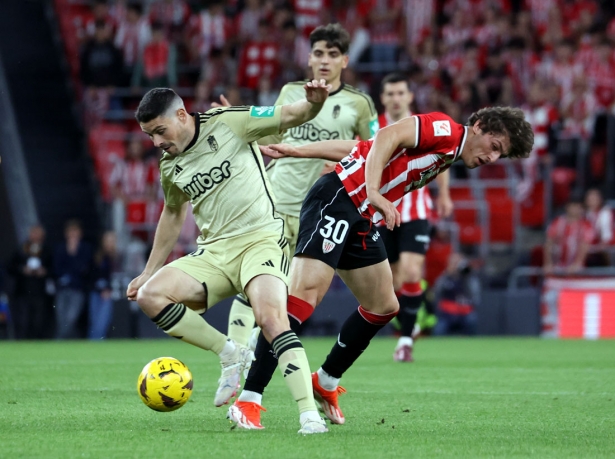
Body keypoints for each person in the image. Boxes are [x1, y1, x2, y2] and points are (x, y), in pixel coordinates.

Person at [229, 106, 533, 429]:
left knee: (384, 305)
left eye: (502, 155)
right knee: (303, 299)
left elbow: (365, 146)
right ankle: (249, 398)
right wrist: (374, 191)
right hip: (339, 199)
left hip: (361, 216)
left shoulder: (448, 154)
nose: (493, 158)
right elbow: (388, 135)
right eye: (495, 146)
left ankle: (326, 380)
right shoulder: (445, 129)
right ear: (479, 126)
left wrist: (297, 151)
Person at [126, 83, 332, 434]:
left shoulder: (231, 122)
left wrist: (314, 104)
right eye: (149, 136)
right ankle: (230, 352)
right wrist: (148, 271)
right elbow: (173, 214)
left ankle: (309, 415)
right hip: (215, 253)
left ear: (181, 115)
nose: (156, 142)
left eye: (160, 131)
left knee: (270, 320)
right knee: (150, 295)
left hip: (261, 242)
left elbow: (294, 114)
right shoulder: (170, 164)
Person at [226, 22, 379, 356]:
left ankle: (257, 355)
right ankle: (234, 358)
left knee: (291, 297)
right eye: (319, 53)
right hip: (277, 202)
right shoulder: (290, 92)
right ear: (309, 58)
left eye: (333, 54)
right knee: (253, 284)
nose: (325, 60)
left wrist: (343, 164)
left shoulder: (359, 103)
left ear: (345, 61)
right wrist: (233, 122)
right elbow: (270, 138)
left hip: (322, 212)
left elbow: (375, 151)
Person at [376, 72, 453, 362]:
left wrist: (444, 195)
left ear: (409, 96)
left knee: (411, 273)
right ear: (383, 98)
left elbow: (442, 161)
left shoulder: (423, 126)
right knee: (393, 283)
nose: (396, 99)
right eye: (390, 94)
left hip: (416, 210)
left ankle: (406, 340)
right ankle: (409, 324)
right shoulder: (373, 126)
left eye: (400, 93)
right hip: (382, 213)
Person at [7, 224, 53, 339]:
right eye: (34, 233)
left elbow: (54, 268)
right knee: (23, 319)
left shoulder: (47, 250)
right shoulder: (21, 249)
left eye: (38, 233)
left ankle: (38, 342)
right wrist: (22, 269)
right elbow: (9, 266)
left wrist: (44, 272)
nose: (36, 236)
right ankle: (22, 341)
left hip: (40, 291)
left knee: (39, 319)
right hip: (23, 290)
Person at [54, 220, 93, 339]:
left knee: (71, 317)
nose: (73, 235)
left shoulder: (85, 248)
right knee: (61, 317)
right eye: (70, 232)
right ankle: (69, 341)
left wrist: (73, 253)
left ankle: (58, 340)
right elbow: (56, 268)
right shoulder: (60, 248)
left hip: (77, 288)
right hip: (62, 288)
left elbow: (84, 269)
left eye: (75, 231)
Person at [543, 197, 594, 274]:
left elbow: (585, 244)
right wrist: (548, 263)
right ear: (567, 207)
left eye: (579, 207)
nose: (576, 209)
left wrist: (578, 263)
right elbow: (549, 242)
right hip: (558, 266)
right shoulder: (557, 222)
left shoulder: (586, 225)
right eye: (574, 206)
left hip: (578, 268)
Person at [432, 253, 479, 336]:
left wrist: (465, 274)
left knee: (471, 320)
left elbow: (474, 295)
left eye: (458, 263)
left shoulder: (468, 278)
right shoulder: (444, 278)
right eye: (453, 263)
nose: (455, 266)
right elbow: (436, 294)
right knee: (439, 329)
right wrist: (449, 273)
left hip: (464, 313)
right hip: (447, 314)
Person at [89, 231, 122, 340]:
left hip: (109, 293)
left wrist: (109, 289)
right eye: (108, 241)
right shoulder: (98, 256)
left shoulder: (117, 258)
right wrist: (101, 289)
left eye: (112, 241)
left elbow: (116, 277)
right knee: (95, 320)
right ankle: (93, 343)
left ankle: (97, 341)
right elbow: (92, 275)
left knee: (103, 320)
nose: (110, 243)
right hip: (96, 292)